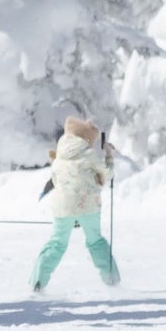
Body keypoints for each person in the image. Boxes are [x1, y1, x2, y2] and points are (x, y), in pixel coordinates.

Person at [32, 116, 118, 292]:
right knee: (96, 242)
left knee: (56, 243)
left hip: (62, 207)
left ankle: (37, 282)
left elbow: (56, 181)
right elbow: (107, 174)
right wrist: (109, 155)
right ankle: (112, 281)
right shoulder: (88, 154)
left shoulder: (58, 157)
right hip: (88, 206)